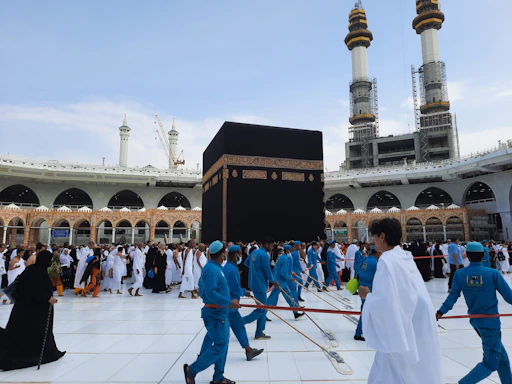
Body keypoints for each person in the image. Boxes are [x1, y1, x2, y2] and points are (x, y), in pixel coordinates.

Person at [358, 218, 443, 384]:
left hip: (401, 332)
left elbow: (385, 305)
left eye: (374, 237)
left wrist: (367, 296)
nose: (372, 241)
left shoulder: (387, 261)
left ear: (382, 236)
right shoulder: (405, 257)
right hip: (418, 325)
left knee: (390, 373)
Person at [437, 242, 512, 383]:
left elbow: (452, 296)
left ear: (467, 256)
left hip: (476, 322)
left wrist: (440, 312)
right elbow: (509, 297)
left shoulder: (460, 274)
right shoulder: (493, 274)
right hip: (491, 324)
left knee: (502, 360)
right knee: (490, 363)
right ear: (484, 255)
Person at [184, 240, 240, 384]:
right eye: (225, 252)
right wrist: (229, 302)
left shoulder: (215, 267)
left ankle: (218, 378)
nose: (226, 254)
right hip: (215, 314)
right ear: (221, 254)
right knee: (220, 345)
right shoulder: (212, 270)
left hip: (221, 312)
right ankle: (192, 370)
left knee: (223, 344)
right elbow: (210, 293)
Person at [0, 251, 65, 370]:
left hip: (23, 310)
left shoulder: (31, 270)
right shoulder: (38, 272)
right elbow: (33, 290)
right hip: (34, 311)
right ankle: (40, 353)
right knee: (34, 332)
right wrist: (47, 298)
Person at [223, 245, 264, 360]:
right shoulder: (231, 269)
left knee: (239, 325)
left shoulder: (229, 267)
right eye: (240, 253)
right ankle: (203, 354)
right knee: (215, 334)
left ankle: (248, 350)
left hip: (232, 307)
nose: (241, 256)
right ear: (236, 255)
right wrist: (245, 292)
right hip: (229, 305)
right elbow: (234, 288)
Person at [243, 237, 277, 340]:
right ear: (266, 244)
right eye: (271, 245)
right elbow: (267, 271)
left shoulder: (254, 252)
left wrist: (255, 270)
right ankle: (240, 321)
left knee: (263, 308)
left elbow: (246, 263)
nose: (272, 247)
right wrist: (274, 281)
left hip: (254, 282)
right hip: (260, 284)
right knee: (262, 310)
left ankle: (259, 332)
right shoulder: (264, 255)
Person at [267, 245, 304, 320]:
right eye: (291, 250)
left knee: (289, 297)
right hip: (279, 282)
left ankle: (295, 313)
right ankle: (262, 312)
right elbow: (283, 272)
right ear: (288, 251)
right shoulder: (285, 259)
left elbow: (276, 269)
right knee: (272, 298)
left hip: (281, 281)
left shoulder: (280, 257)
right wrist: (290, 278)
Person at [354, 245, 378, 341]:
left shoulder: (365, 260)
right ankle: (358, 332)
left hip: (362, 288)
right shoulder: (375, 262)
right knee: (366, 311)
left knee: (366, 310)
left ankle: (366, 330)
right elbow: (379, 276)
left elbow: (358, 273)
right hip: (369, 290)